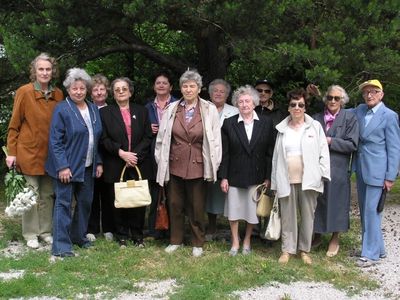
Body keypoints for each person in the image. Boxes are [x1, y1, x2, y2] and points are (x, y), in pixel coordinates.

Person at [155, 69, 222, 257]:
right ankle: (175, 240)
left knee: (197, 206)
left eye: (192, 86)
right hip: (175, 163)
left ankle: (197, 242)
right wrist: (161, 161)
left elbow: (216, 141)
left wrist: (214, 165)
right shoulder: (172, 108)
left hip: (199, 165)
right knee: (175, 204)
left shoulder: (209, 110)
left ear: (199, 89)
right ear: (181, 88)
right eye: (185, 86)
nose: (188, 89)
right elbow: (162, 138)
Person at [6, 53, 63, 249]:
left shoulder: (58, 94)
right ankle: (30, 233)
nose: (45, 72)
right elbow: (14, 125)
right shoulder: (24, 91)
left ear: (52, 71)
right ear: (34, 71)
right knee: (30, 194)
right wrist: (11, 153)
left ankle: (45, 232)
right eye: (41, 69)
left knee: (47, 194)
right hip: (28, 152)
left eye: (48, 69)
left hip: (51, 155)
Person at [46, 68, 103, 258]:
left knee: (85, 202)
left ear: (86, 89)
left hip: (88, 166)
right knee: (63, 203)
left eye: (81, 88)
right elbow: (55, 141)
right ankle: (61, 246)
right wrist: (62, 166)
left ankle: (78, 237)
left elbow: (96, 139)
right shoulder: (62, 109)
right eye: (74, 88)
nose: (78, 91)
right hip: (67, 167)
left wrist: (99, 162)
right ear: (68, 90)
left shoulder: (93, 109)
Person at [271, 88, 330, 265]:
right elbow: (276, 158)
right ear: (288, 108)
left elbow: (323, 153)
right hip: (286, 179)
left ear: (305, 107)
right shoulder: (282, 129)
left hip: (309, 180)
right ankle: (287, 250)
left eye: (301, 104)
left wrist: (322, 175)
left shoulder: (315, 127)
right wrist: (275, 183)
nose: (297, 107)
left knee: (307, 216)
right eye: (293, 104)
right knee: (288, 217)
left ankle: (304, 250)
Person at [219, 85, 274, 255]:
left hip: (257, 175)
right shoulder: (229, 124)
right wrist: (223, 177)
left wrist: (267, 176)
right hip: (234, 174)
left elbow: (269, 153)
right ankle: (235, 241)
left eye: (247, 101)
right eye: (240, 101)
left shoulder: (266, 123)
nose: (244, 104)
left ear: (254, 103)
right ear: (236, 104)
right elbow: (225, 153)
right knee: (234, 211)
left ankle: (247, 240)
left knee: (252, 212)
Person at [352, 79, 400, 267]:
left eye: (373, 91)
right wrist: (321, 96)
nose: (369, 95)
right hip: (362, 168)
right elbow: (338, 110)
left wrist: (390, 176)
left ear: (381, 94)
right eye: (366, 92)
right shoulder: (360, 110)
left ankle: (370, 254)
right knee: (365, 212)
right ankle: (376, 249)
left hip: (379, 172)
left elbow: (395, 148)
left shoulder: (389, 116)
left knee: (372, 211)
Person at [100, 77, 152, 248]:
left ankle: (137, 235)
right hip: (116, 162)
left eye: (124, 88)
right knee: (118, 200)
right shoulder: (105, 113)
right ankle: (121, 235)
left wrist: (134, 156)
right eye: (117, 89)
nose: (121, 91)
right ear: (113, 94)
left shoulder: (142, 111)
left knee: (137, 200)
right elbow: (104, 139)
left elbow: (147, 136)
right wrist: (121, 153)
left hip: (137, 163)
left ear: (130, 91)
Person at [312, 85, 359, 257]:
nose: (332, 101)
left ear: (342, 101)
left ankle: (335, 237)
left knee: (337, 202)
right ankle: (316, 235)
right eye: (330, 97)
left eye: (336, 98)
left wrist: (331, 141)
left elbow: (353, 144)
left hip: (338, 167)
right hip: (316, 167)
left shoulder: (350, 118)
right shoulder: (316, 118)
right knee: (317, 201)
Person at [145, 71, 178, 240]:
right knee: (155, 192)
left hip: (174, 153)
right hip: (154, 154)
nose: (161, 85)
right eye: (158, 83)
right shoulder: (148, 107)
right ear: (154, 86)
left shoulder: (179, 105)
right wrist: (148, 130)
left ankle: (173, 230)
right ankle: (154, 230)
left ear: (171, 86)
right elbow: (142, 132)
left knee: (173, 194)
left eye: (165, 83)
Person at [205, 79, 238, 241]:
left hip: (230, 156)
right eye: (215, 91)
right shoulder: (203, 108)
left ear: (227, 95)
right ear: (210, 94)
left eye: (222, 91)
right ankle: (211, 225)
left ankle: (234, 229)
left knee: (230, 192)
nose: (218, 93)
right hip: (207, 157)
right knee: (211, 192)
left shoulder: (235, 111)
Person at [86, 74, 114, 242]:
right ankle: (92, 228)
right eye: (95, 90)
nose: (98, 93)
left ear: (107, 91)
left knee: (108, 194)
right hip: (92, 158)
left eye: (101, 89)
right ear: (90, 93)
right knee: (92, 194)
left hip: (110, 159)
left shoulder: (112, 110)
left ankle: (109, 228)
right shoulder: (86, 110)